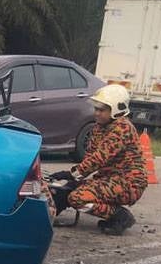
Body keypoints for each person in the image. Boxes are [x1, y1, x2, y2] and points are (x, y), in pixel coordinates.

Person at [49, 84, 147, 235]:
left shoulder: (122, 128)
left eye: (102, 110)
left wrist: (71, 173)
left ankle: (119, 216)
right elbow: (89, 159)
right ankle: (50, 213)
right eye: (96, 109)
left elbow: (99, 158)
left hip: (129, 183)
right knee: (67, 189)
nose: (97, 113)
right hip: (110, 179)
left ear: (116, 110)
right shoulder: (98, 128)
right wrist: (74, 178)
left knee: (77, 198)